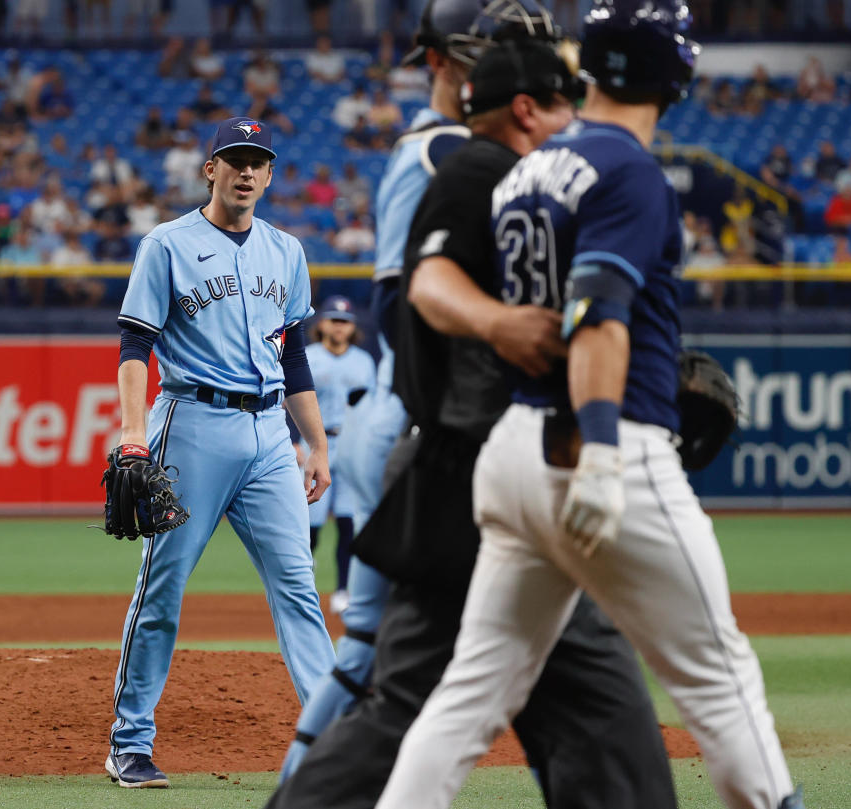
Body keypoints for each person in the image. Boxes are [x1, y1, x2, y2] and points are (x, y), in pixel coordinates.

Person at [374, 4, 805, 809]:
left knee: (469, 694)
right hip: (603, 448)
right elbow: (598, 310)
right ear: (664, 70)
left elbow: (461, 288)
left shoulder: (531, 165)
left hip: (511, 457)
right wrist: (604, 450)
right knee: (720, 676)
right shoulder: (631, 168)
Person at [266, 4, 677, 809]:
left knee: (413, 685)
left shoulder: (453, 153)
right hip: (462, 447)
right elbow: (415, 310)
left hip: (447, 448)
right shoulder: (463, 156)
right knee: (539, 702)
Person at [103, 116, 336, 788]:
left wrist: (315, 443)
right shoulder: (167, 244)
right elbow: (134, 346)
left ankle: (331, 738)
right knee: (163, 587)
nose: (245, 171)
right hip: (192, 423)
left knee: (298, 586)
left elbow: (291, 355)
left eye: (257, 160)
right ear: (210, 168)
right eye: (233, 158)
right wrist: (131, 432)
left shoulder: (287, 250)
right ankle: (130, 741)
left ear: (269, 173)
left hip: (270, 436)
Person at [302, 296, 376, 612]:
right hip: (311, 444)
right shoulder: (308, 356)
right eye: (333, 319)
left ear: (352, 327)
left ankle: (344, 588)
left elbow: (372, 407)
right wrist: (294, 441)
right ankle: (302, 583)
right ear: (322, 324)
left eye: (344, 321)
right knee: (310, 521)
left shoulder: (363, 361)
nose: (339, 326)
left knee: (348, 520)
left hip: (351, 444)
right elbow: (288, 399)